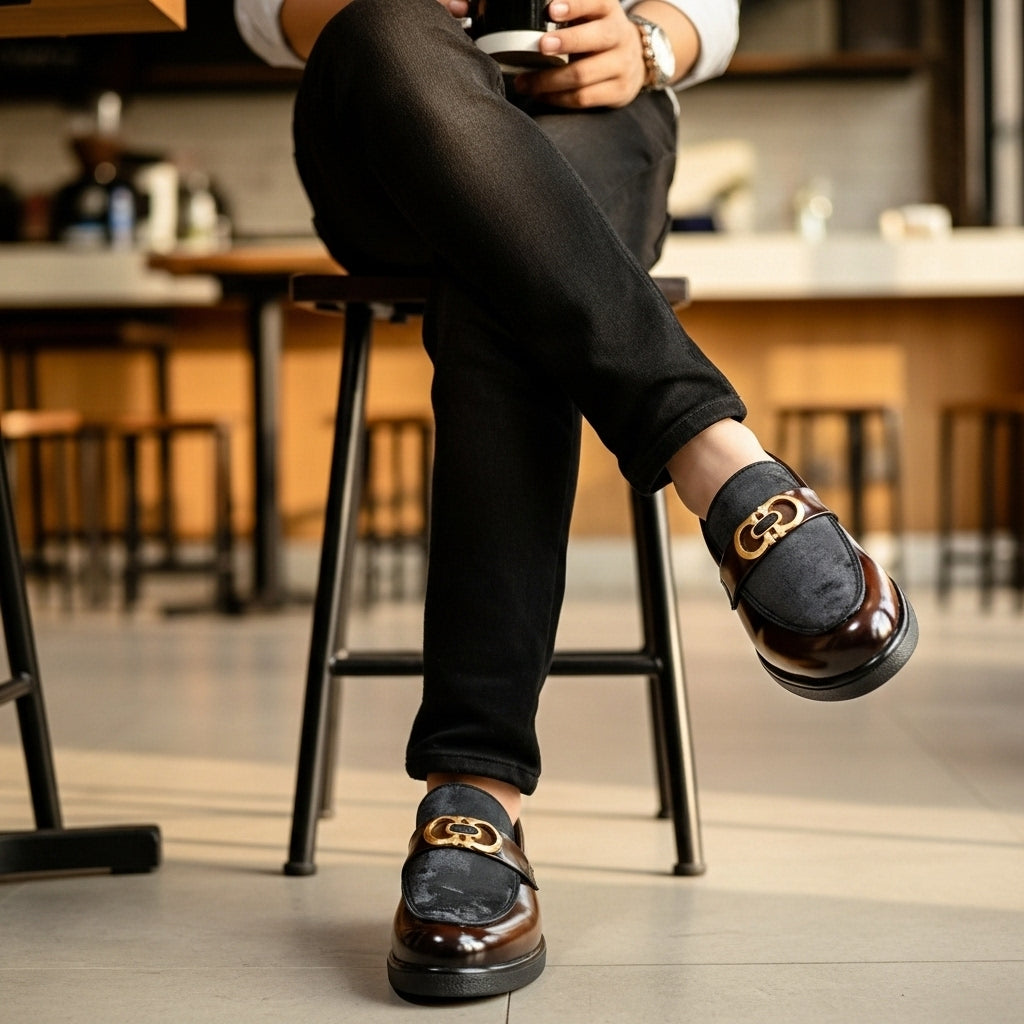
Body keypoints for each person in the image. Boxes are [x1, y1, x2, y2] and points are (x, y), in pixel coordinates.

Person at [235, 0, 918, 1002]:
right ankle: (718, 461)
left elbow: (708, 12)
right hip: (383, 117)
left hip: (604, 117)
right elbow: (265, 11)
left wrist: (650, 43)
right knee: (380, 29)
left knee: (516, 267)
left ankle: (473, 793)